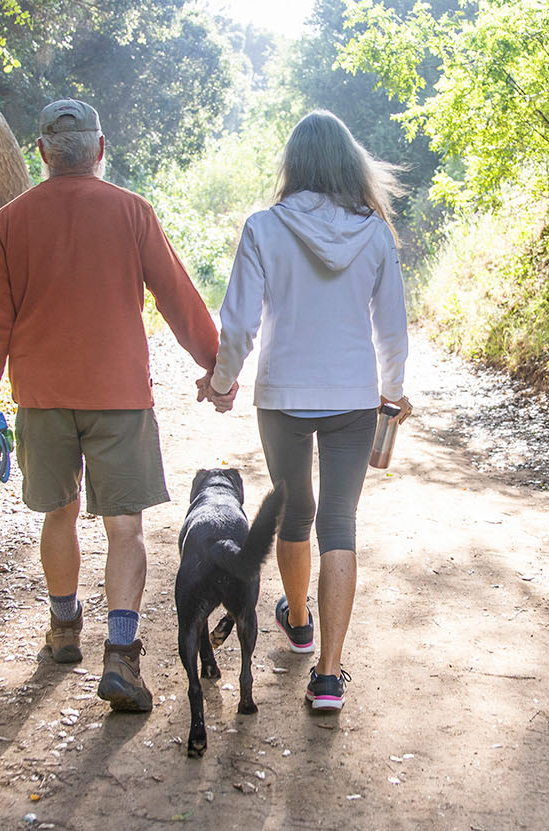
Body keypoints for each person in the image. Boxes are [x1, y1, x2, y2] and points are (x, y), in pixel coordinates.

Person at [0, 99, 220, 713]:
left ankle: (62, 628)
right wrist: (215, 364)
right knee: (126, 527)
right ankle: (121, 655)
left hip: (42, 398)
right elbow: (176, 297)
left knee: (58, 513)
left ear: (42, 153)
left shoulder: (9, 222)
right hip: (119, 398)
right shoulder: (133, 213)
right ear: (101, 150)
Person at [201, 110, 412, 712]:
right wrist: (392, 392)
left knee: (295, 512)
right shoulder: (374, 232)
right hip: (352, 397)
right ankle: (328, 675)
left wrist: (222, 381)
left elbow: (238, 323)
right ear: (349, 163)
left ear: (293, 164)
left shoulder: (265, 227)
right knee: (338, 523)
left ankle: (299, 624)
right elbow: (392, 329)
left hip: (284, 395)